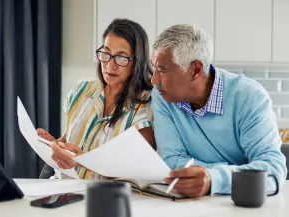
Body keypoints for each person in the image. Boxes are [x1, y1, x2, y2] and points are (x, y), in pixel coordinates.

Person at [150, 24, 287, 197]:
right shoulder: (162, 96)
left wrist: (213, 179)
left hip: (243, 203)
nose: (154, 79)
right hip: (192, 205)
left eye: (162, 69)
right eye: (154, 67)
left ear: (195, 70)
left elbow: (272, 170)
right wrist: (236, 173)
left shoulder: (249, 97)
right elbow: (172, 162)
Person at [38, 18, 156, 179]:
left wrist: (82, 161)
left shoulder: (148, 105)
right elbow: (69, 138)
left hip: (105, 197)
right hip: (61, 190)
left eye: (122, 58)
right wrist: (53, 144)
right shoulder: (82, 89)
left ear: (138, 61)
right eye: (106, 54)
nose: (110, 65)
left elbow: (133, 166)